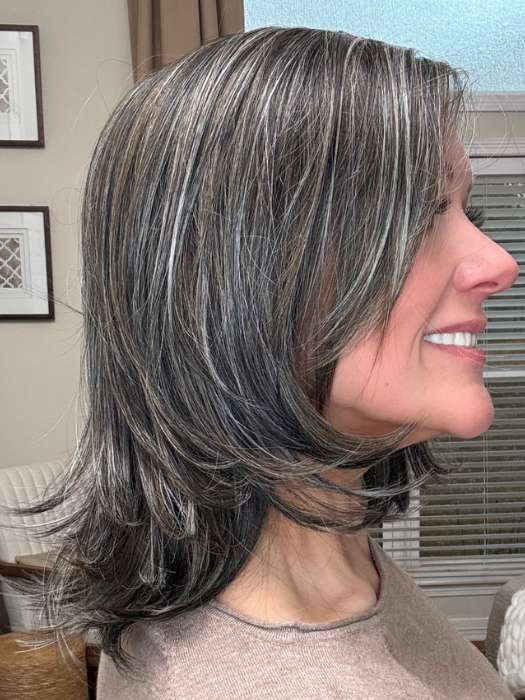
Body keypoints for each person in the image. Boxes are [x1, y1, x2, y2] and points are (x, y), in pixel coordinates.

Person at [4, 26, 519, 699]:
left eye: (465, 211)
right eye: (418, 213)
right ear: (236, 279)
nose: (498, 262)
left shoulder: (331, 569)